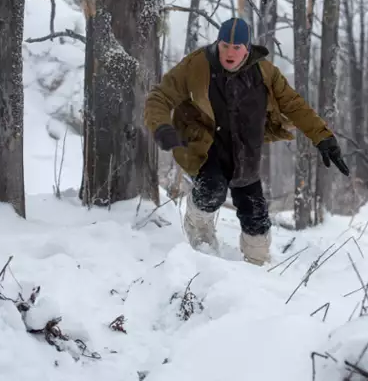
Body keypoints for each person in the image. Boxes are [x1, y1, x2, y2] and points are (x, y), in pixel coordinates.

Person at [143, 17, 350, 266]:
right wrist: (161, 126)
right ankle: (199, 233)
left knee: (256, 219)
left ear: (247, 48)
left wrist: (323, 137)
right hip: (206, 145)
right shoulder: (197, 65)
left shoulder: (265, 73)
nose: (229, 53)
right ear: (217, 43)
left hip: (246, 149)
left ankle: (257, 267)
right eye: (224, 46)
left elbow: (294, 106)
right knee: (211, 190)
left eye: (236, 47)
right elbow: (160, 95)